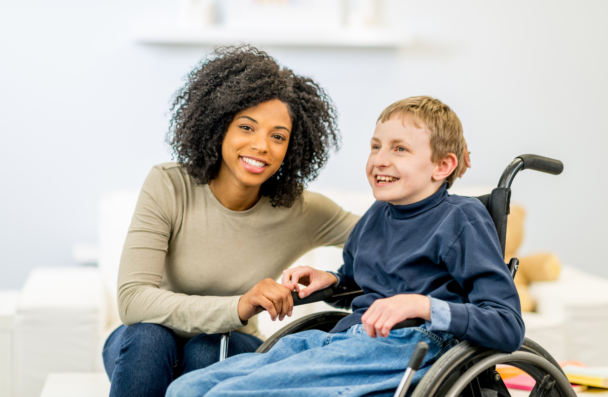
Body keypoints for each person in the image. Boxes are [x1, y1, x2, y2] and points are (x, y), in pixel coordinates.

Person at [165, 96, 523, 397]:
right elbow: (358, 285)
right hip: (348, 339)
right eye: (376, 146)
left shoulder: (461, 219)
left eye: (400, 149)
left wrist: (422, 305)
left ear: (443, 165)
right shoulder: (376, 216)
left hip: (409, 348)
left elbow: (507, 325)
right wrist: (330, 281)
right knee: (187, 389)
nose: (380, 159)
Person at [101, 45, 362, 397]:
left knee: (207, 348)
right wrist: (237, 305)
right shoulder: (168, 185)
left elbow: (393, 237)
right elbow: (133, 300)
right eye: (247, 127)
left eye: (278, 136)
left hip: (230, 345)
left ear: (292, 148)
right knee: (149, 336)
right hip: (143, 346)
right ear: (219, 125)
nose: (261, 146)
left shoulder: (304, 210)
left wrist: (335, 279)